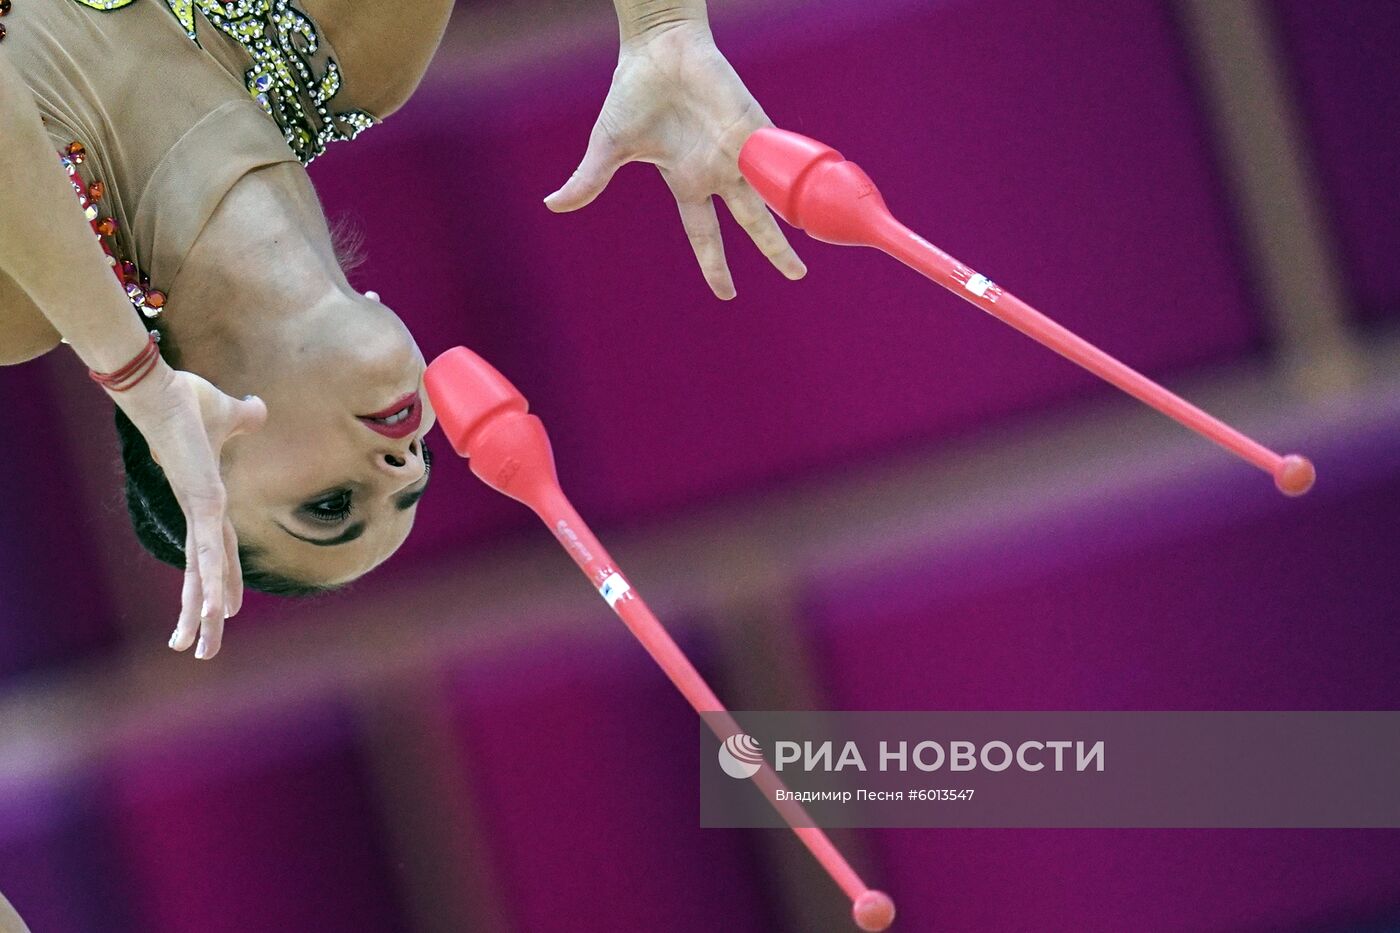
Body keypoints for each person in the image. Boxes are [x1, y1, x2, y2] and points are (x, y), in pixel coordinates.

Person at [0, 0, 805, 659]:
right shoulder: (355, 44)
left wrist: (133, 371)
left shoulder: (19, 301)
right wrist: (664, 27)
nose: (401, 457)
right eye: (412, 477)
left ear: (193, 462)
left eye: (330, 504)